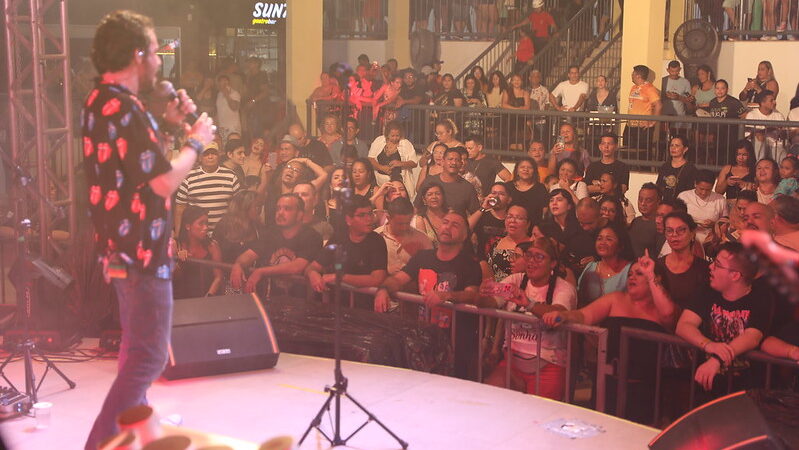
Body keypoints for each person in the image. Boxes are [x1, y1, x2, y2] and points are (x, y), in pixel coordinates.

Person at [82, 10, 216, 449]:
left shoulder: (99, 101)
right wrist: (196, 140)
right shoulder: (127, 107)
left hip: (117, 246)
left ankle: (133, 437)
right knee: (148, 357)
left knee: (134, 352)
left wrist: (169, 124)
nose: (160, 61)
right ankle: (101, 442)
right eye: (156, 51)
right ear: (138, 55)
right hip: (141, 248)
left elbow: (136, 162)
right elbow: (162, 180)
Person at [543, 256, 677, 422]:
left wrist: (650, 274)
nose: (632, 277)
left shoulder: (662, 308)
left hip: (647, 389)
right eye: (630, 274)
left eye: (639, 274)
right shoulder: (616, 299)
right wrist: (563, 316)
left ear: (655, 278)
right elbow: (584, 315)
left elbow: (669, 315)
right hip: (611, 382)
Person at [374, 210, 487, 380]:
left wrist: (447, 295)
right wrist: (383, 290)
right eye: (445, 222)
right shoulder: (423, 257)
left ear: (464, 236)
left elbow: (472, 295)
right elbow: (398, 279)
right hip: (424, 338)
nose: (447, 227)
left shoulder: (470, 264)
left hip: (455, 343)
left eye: (455, 225)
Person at [483, 238, 577, 400]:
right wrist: (482, 293)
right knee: (491, 397)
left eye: (539, 257)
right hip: (512, 362)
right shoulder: (516, 280)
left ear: (553, 263)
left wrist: (528, 304)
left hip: (548, 365)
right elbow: (492, 301)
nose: (531, 261)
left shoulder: (564, 288)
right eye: (529, 256)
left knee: (540, 417)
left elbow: (559, 314)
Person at [675, 243, 771, 397]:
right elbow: (684, 325)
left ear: (735, 275)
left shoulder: (761, 297)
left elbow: (752, 336)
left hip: (747, 389)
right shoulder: (707, 290)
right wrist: (709, 345)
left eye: (717, 265)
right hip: (707, 381)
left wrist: (717, 359)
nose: (710, 267)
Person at [229, 193, 321, 296]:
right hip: (272, 299)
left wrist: (261, 272)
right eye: (278, 209)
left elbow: (297, 266)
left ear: (300, 215)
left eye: (287, 209)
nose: (280, 213)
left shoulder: (311, 236)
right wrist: (238, 265)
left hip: (301, 301)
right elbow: (250, 254)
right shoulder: (271, 233)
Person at [306, 195, 388, 306]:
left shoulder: (377, 241)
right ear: (348, 220)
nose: (369, 219)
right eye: (362, 215)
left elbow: (377, 279)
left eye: (370, 213)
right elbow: (313, 266)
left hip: (364, 307)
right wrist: (313, 274)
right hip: (336, 304)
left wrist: (340, 277)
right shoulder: (339, 237)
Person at [175, 141, 240, 234]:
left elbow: (238, 207)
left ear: (219, 156)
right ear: (200, 157)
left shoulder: (231, 176)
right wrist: (178, 234)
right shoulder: (188, 177)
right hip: (195, 235)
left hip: (224, 234)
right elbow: (180, 208)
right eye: (206, 154)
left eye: (213, 153)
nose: (210, 157)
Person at [656, 211, 710, 309]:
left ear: (692, 233)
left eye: (681, 230)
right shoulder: (657, 266)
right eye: (669, 231)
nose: (675, 235)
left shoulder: (705, 268)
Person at [577, 223, 634, 306]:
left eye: (609, 239)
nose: (602, 243)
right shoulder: (590, 267)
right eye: (599, 239)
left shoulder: (630, 270)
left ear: (621, 245)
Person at [172, 206, 223, 299]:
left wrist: (209, 296)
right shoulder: (175, 245)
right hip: (181, 301)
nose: (206, 227)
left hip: (207, 298)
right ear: (188, 226)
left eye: (207, 223)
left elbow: (218, 277)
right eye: (201, 224)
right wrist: (177, 262)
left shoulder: (212, 246)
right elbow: (170, 278)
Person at [375, 197, 433, 276]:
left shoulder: (422, 239)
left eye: (407, 223)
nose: (404, 228)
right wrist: (385, 270)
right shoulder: (375, 237)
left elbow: (430, 269)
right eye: (400, 224)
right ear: (388, 218)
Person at [418, 147, 480, 214]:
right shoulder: (429, 181)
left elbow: (475, 213)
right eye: (450, 159)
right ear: (442, 162)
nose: (453, 163)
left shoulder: (468, 187)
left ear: (461, 164)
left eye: (457, 160)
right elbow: (417, 207)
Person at [479, 202, 529, 283]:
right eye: (509, 217)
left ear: (528, 224)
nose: (513, 220)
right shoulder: (495, 242)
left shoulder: (534, 246)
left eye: (519, 218)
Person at [212, 190, 265, 264]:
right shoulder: (223, 226)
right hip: (227, 272)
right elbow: (214, 255)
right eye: (256, 206)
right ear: (244, 207)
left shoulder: (258, 227)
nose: (259, 210)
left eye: (260, 206)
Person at [368, 121, 418, 198]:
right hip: (380, 183)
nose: (395, 138)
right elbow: (370, 158)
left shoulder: (405, 143)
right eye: (392, 136)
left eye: (397, 135)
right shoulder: (379, 141)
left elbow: (414, 163)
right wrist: (381, 167)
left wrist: (400, 163)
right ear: (387, 134)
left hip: (400, 183)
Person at [678, 169, 729, 247]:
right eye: (701, 189)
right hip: (686, 239)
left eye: (708, 190)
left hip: (709, 242)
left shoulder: (720, 199)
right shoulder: (684, 196)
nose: (703, 193)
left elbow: (725, 223)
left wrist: (714, 225)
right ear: (695, 184)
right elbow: (676, 219)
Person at [624, 65, 661, 152]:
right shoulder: (634, 87)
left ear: (638, 76)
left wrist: (652, 122)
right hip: (630, 125)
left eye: (633, 73)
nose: (631, 75)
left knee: (642, 153)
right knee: (627, 151)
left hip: (643, 127)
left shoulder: (650, 89)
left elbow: (658, 105)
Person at [505, 157, 548, 226]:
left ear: (534, 171)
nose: (525, 170)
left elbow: (545, 211)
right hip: (510, 225)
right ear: (517, 171)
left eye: (529, 167)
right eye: (522, 167)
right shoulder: (508, 186)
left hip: (533, 226)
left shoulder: (540, 188)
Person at [745, 90, 786, 161]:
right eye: (771, 100)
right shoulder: (752, 115)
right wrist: (768, 131)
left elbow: (783, 135)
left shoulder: (779, 115)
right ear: (762, 103)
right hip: (758, 145)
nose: (775, 102)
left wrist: (781, 132)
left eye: (774, 100)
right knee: (759, 141)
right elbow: (748, 135)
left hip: (775, 145)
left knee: (781, 157)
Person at [656, 135, 698, 202]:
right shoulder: (665, 166)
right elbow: (658, 186)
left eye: (677, 146)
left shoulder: (690, 169)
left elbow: (691, 192)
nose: (673, 148)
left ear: (685, 149)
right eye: (671, 145)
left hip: (681, 205)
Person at [629, 182, 662, 258]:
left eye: (648, 200)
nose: (643, 203)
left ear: (658, 202)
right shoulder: (635, 221)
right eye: (640, 199)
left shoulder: (659, 225)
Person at [660, 60, 692, 134]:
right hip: (664, 115)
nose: (674, 74)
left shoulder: (685, 82)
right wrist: (665, 96)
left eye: (676, 71)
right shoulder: (662, 81)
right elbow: (657, 98)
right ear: (667, 70)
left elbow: (689, 100)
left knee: (677, 137)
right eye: (672, 71)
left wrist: (678, 97)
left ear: (680, 70)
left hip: (679, 116)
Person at [413, 182, 449, 247]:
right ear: (424, 200)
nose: (434, 197)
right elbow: (424, 246)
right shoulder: (421, 220)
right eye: (429, 194)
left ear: (443, 197)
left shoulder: (451, 215)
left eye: (437, 194)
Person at [215, 74, 241, 141]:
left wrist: (227, 95)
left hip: (233, 128)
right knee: (224, 149)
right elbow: (219, 110)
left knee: (233, 147)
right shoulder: (219, 94)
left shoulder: (235, 93)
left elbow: (234, 107)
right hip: (222, 128)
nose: (223, 84)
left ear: (228, 83)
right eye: (221, 82)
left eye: (225, 81)